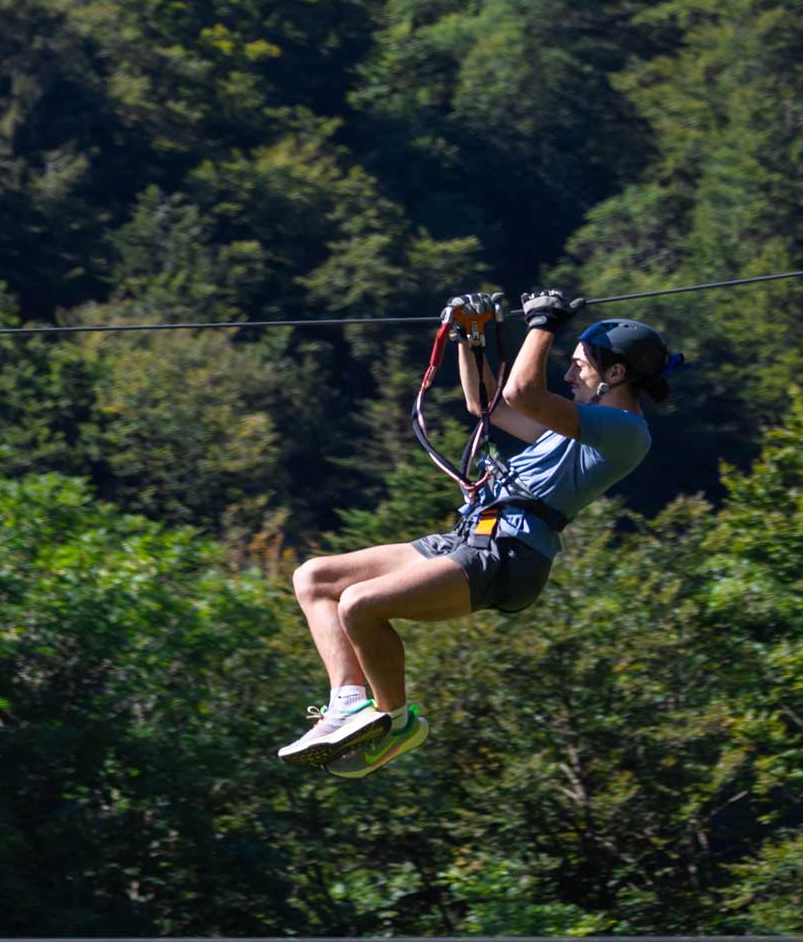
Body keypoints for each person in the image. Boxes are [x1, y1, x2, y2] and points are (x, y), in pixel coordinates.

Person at [277, 288, 674, 777]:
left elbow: (521, 393)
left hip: (510, 554)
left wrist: (543, 324)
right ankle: (347, 702)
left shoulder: (625, 432)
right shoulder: (570, 429)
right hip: (473, 536)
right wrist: (470, 333)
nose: (569, 375)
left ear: (615, 375)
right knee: (315, 578)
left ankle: (397, 721)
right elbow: (485, 403)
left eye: (580, 365)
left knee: (360, 603)